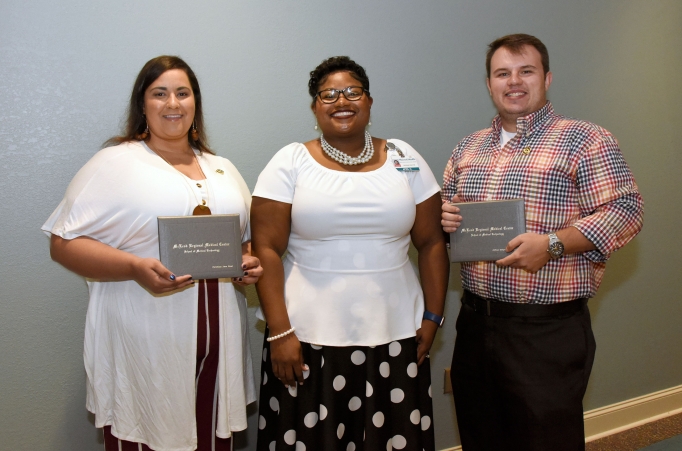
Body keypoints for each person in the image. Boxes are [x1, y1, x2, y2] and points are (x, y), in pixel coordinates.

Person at [42, 56, 262, 451]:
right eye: (159, 94)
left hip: (219, 344)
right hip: (145, 344)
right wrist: (134, 267)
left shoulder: (221, 168)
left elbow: (242, 242)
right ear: (142, 105)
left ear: (195, 103)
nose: (172, 103)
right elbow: (63, 243)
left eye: (182, 93)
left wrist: (246, 262)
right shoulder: (114, 163)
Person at [441, 34, 644, 451]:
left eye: (526, 71)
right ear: (489, 84)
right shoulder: (468, 148)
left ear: (546, 78)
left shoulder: (585, 139)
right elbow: (448, 221)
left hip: (546, 331)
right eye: (502, 73)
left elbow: (626, 211)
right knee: (481, 438)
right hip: (475, 325)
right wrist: (444, 221)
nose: (514, 81)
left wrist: (552, 244)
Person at [251, 56, 449, 451]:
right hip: (306, 337)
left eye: (352, 91)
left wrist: (433, 315)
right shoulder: (289, 162)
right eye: (328, 94)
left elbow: (431, 243)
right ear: (314, 107)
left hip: (396, 331)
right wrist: (280, 331)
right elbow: (266, 250)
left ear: (370, 101)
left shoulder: (404, 158)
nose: (342, 100)